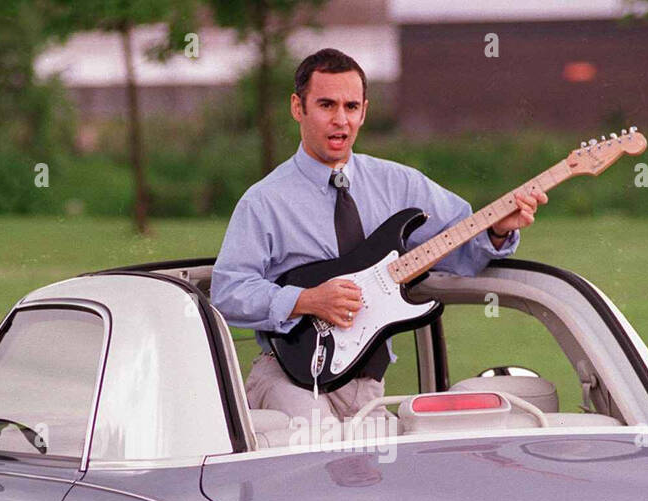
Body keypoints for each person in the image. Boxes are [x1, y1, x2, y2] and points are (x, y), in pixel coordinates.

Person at [210, 48, 547, 425]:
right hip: (289, 379)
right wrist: (306, 300)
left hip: (366, 387)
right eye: (326, 105)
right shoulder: (264, 201)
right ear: (297, 107)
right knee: (320, 456)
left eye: (351, 107)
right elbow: (227, 292)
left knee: (385, 473)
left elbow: (464, 245)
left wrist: (499, 228)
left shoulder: (400, 184)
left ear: (364, 111)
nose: (340, 120)